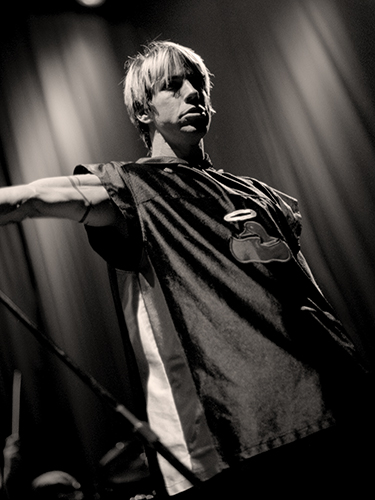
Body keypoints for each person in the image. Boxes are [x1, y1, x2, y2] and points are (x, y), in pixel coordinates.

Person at [0, 41, 373, 499]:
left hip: (338, 401)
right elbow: (32, 196)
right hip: (238, 433)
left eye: (197, 83)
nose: (192, 93)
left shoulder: (261, 195)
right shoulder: (132, 188)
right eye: (172, 87)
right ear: (143, 111)